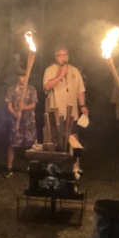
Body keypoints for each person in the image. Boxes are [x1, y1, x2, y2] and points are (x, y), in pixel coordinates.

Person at [43, 45, 89, 174]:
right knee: (56, 139)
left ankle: (76, 166)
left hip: (72, 112)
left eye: (65, 55)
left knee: (74, 138)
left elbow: (80, 90)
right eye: (60, 55)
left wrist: (83, 106)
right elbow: (47, 86)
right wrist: (61, 74)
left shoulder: (74, 70)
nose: (63, 57)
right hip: (56, 111)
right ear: (55, 57)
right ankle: (56, 166)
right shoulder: (50, 70)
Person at [5, 66, 38, 177]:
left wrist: (24, 107)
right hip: (16, 122)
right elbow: (9, 104)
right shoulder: (12, 89)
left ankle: (32, 167)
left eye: (24, 76)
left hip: (29, 122)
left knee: (32, 145)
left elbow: (34, 104)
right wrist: (15, 113)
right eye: (20, 76)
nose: (21, 78)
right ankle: (9, 168)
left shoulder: (32, 89)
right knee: (12, 145)